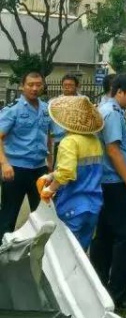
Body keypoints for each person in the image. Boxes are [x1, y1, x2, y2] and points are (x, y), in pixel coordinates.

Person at [90, 73, 126, 309]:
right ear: (119, 91)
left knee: (104, 237)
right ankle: (118, 293)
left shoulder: (105, 109)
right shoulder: (111, 113)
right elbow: (113, 150)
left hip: (106, 183)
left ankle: (100, 290)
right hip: (116, 183)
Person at [40, 96, 104, 250]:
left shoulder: (69, 141)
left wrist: (50, 189)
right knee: (81, 252)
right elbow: (85, 169)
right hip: (93, 205)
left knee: (67, 252)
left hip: (72, 205)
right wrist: (52, 175)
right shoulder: (94, 141)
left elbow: (67, 173)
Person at [0, 72, 57, 241]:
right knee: (9, 214)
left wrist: (50, 162)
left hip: (39, 169)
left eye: (38, 85)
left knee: (42, 213)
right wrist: (4, 164)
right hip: (16, 169)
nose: (34, 88)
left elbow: (48, 136)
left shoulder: (47, 109)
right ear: (22, 86)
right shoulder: (13, 110)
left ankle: (40, 254)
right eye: (30, 84)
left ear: (43, 86)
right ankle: (3, 253)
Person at [52, 74, 81, 164]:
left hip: (79, 141)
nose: (67, 88)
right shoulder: (54, 103)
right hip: (61, 141)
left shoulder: (84, 101)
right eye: (65, 85)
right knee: (60, 168)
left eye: (70, 85)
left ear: (77, 86)